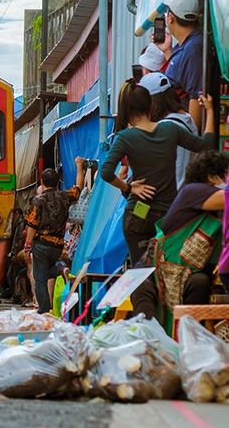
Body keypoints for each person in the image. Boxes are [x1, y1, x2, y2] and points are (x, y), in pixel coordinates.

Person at [101, 84, 215, 265]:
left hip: (138, 214)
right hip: (168, 217)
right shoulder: (171, 129)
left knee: (140, 275)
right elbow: (206, 146)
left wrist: (129, 187)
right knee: (167, 271)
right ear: (150, 106)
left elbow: (106, 172)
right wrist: (209, 111)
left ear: (127, 110)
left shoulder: (124, 137)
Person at [130, 151, 228, 319]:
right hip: (153, 270)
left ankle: (185, 339)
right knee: (144, 304)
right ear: (212, 177)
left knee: (200, 282)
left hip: (188, 274)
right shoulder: (193, 191)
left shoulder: (214, 211)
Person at [23, 157, 86, 314]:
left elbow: (32, 224)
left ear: (42, 182)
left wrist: (27, 245)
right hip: (58, 245)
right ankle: (60, 268)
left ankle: (44, 310)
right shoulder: (65, 196)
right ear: (58, 182)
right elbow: (79, 187)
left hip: (41, 244)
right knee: (47, 270)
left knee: (40, 278)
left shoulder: (38, 200)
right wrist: (79, 167)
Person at [144, 72, 199, 189]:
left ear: (152, 101)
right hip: (183, 196)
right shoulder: (187, 118)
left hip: (170, 200)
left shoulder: (166, 127)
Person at [159, 0, 204, 125]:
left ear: (171, 18)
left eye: (167, 13)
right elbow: (180, 74)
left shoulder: (194, 48)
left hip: (182, 130)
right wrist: (167, 51)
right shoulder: (184, 45)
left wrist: (191, 137)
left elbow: (196, 96)